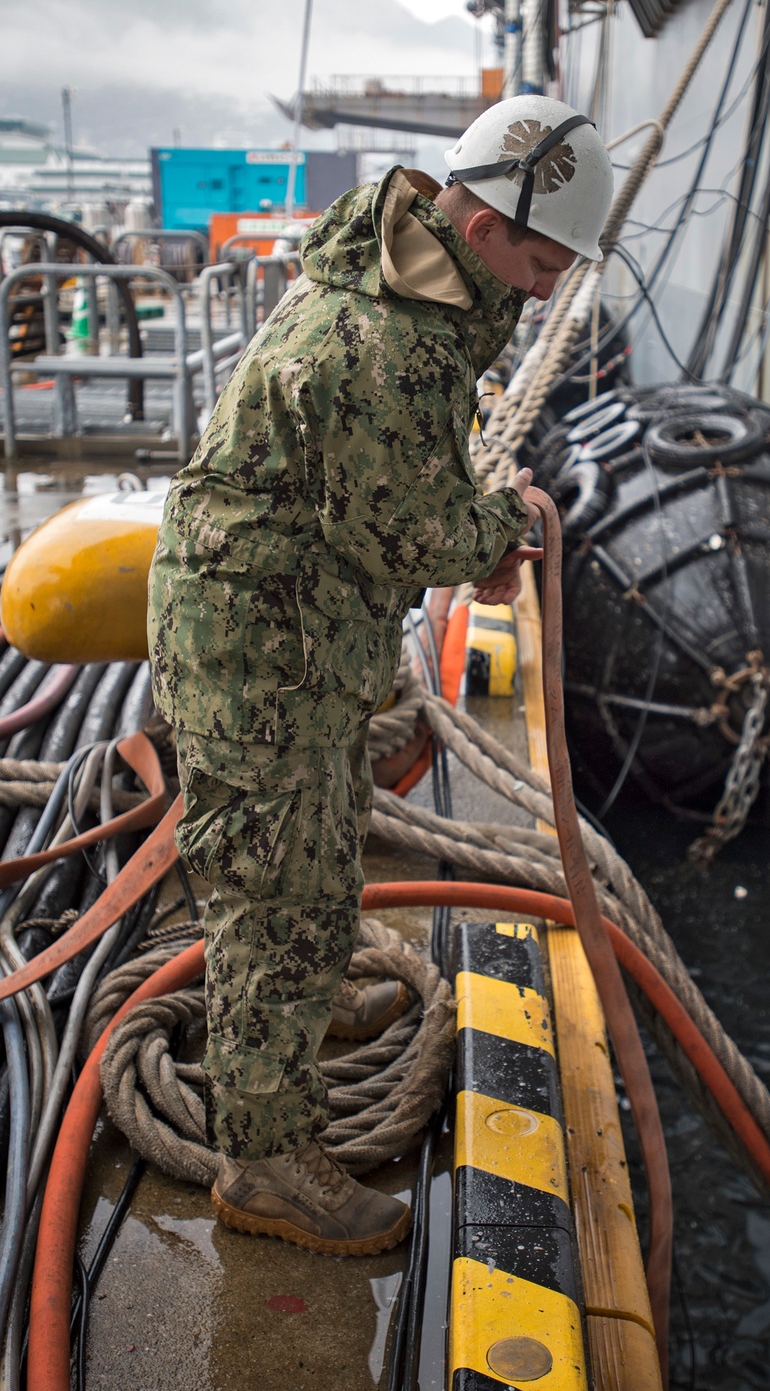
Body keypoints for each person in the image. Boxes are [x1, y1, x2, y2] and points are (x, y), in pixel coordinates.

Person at [146, 96, 614, 1256]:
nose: (552, 284)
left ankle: (292, 1028)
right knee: (278, 893)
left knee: (312, 847)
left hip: (289, 628)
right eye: (546, 256)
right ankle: (266, 1160)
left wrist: (471, 517)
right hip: (263, 652)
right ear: (486, 219)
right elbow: (412, 530)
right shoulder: (386, 343)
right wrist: (506, 521)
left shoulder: (407, 284)